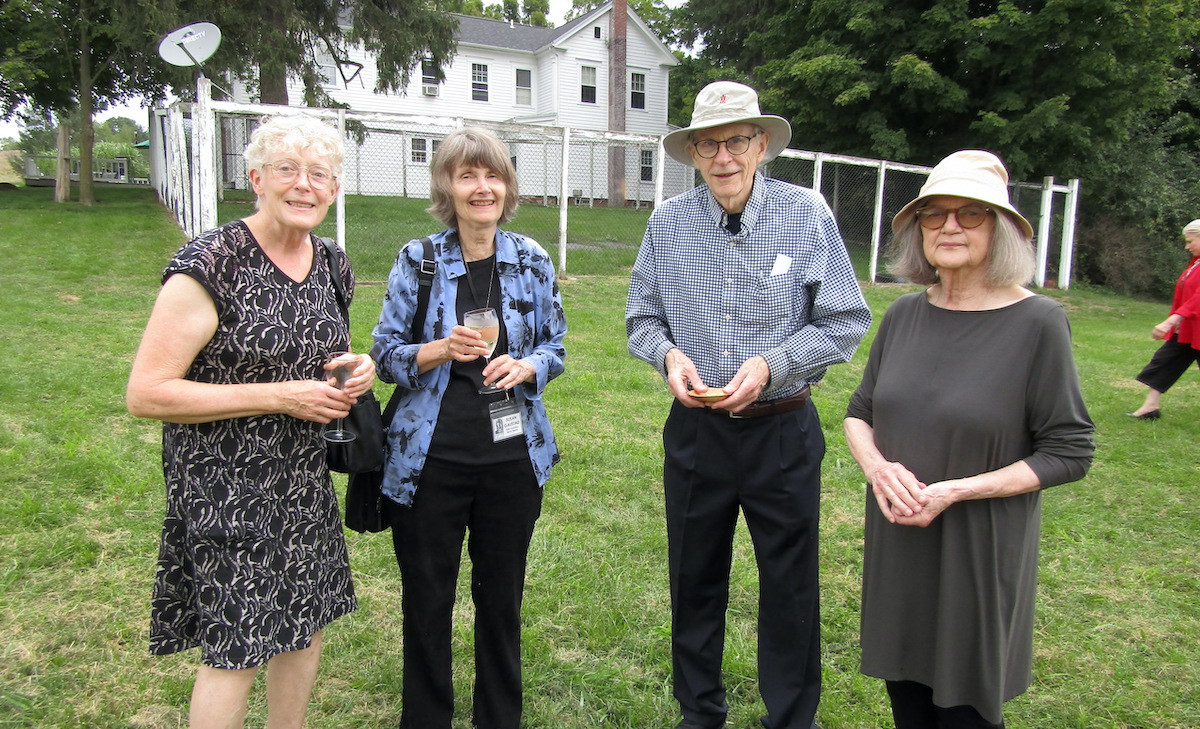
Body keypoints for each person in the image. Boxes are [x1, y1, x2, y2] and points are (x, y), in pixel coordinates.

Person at [626, 80, 871, 729]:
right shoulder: (668, 224)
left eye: (738, 140)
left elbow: (845, 319)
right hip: (698, 430)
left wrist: (772, 365)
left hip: (782, 430)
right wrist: (670, 358)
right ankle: (699, 711)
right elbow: (641, 318)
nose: (725, 156)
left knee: (790, 586)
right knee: (694, 576)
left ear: (761, 144)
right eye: (711, 143)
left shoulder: (806, 213)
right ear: (695, 152)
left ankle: (792, 716)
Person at [126, 114, 375, 729]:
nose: (304, 186)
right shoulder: (211, 264)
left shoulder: (332, 264)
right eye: (287, 170)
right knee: (238, 644)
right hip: (224, 486)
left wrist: (354, 369)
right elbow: (148, 392)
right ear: (256, 178)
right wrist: (280, 396)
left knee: (304, 625)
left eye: (319, 174)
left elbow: (317, 354)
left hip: (300, 478)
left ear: (335, 188)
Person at [842, 150, 1096, 729]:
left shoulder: (1039, 324)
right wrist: (879, 469)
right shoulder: (904, 314)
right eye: (934, 214)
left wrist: (956, 491)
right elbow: (859, 414)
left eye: (970, 214)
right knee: (906, 696)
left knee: (965, 711)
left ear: (1001, 229)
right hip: (899, 538)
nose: (949, 226)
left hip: (978, 546)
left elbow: (1069, 451)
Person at [371, 127, 567, 729]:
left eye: (492, 176)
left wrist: (528, 363)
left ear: (506, 186)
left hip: (512, 457)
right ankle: (426, 719)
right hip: (429, 459)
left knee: (501, 600)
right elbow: (383, 354)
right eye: (466, 176)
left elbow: (557, 345)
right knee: (428, 600)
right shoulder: (419, 259)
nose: (481, 188)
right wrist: (435, 349)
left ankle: (498, 719)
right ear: (447, 187)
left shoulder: (531, 258)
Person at [1127, 218, 1200, 419]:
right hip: (1187, 329)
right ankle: (1150, 407)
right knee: (1165, 361)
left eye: (1190, 241)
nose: (1187, 247)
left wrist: (1172, 320)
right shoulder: (1195, 264)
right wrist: (1176, 323)